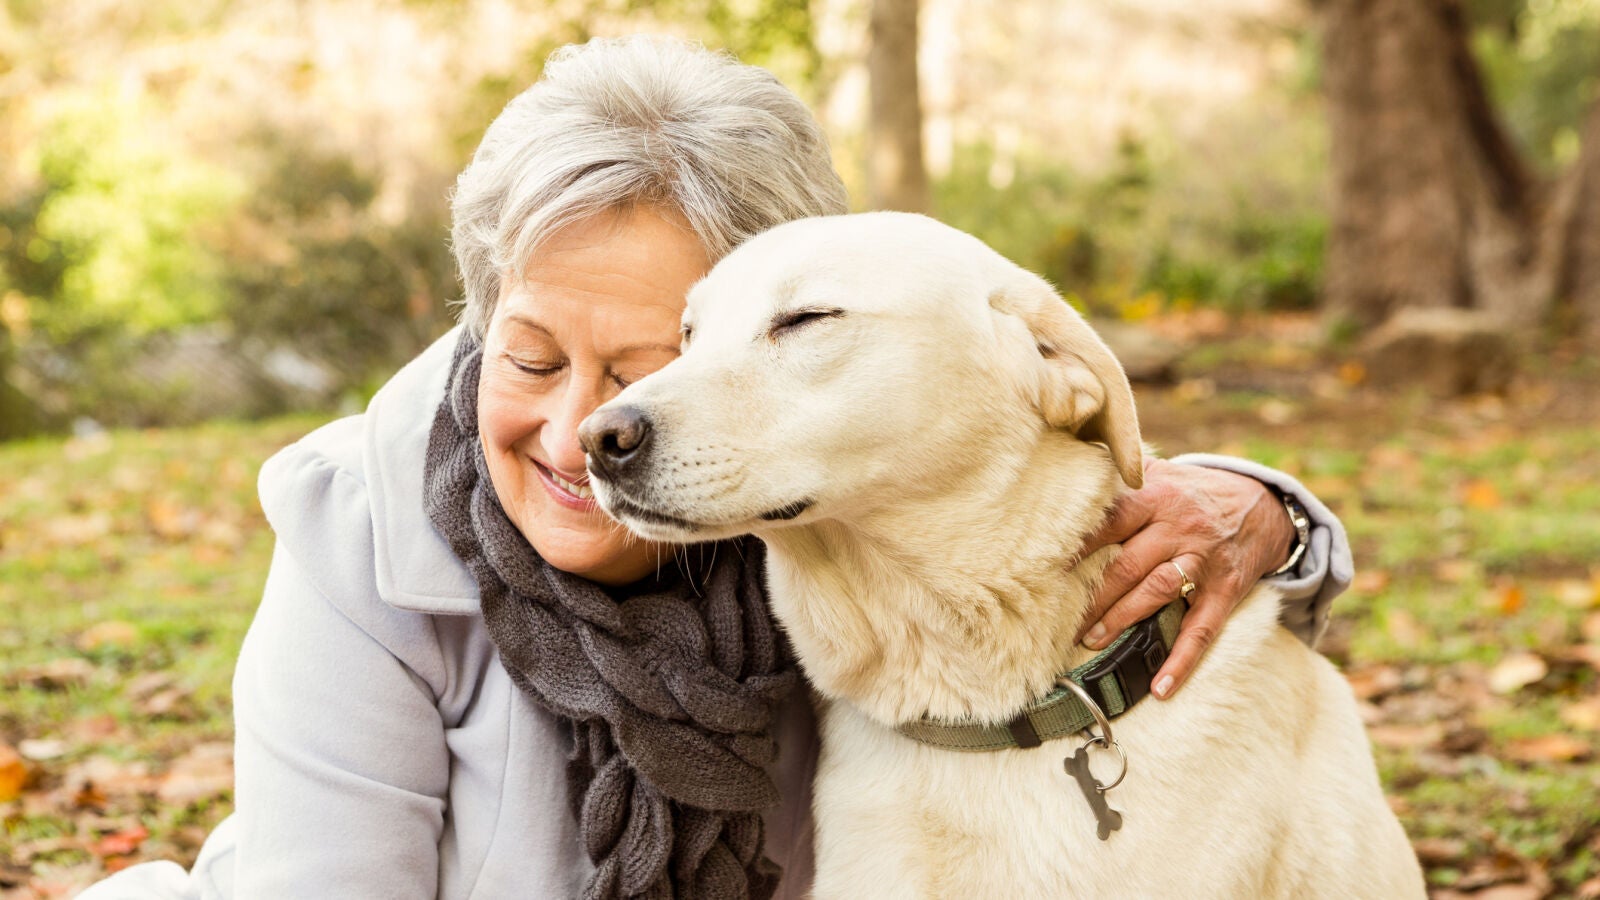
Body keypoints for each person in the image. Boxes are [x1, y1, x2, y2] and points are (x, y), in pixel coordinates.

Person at [80, 35, 1351, 900]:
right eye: (526, 356)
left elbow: (993, 457)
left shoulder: (827, 523)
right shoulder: (362, 531)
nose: (590, 422)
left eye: (647, 364)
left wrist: (1268, 511)